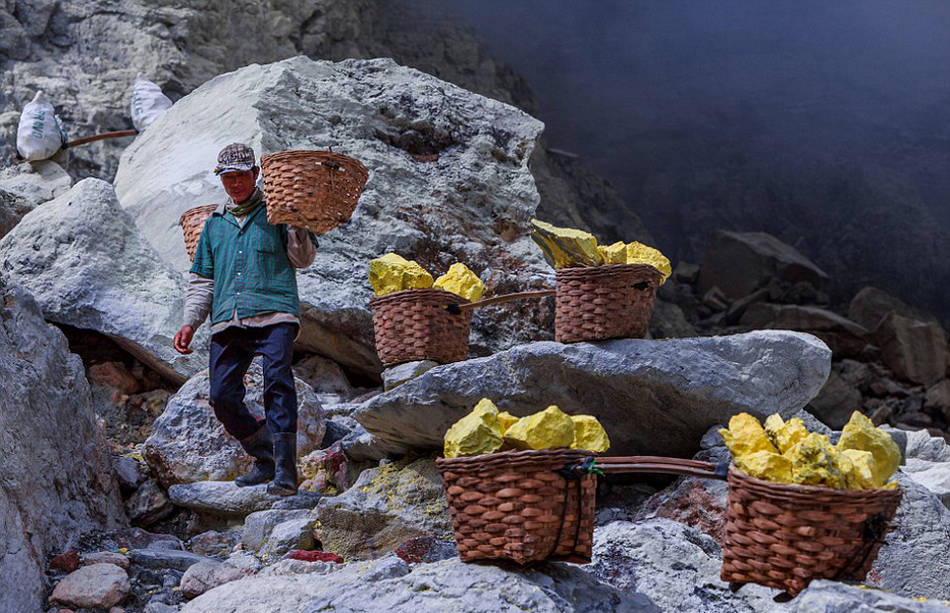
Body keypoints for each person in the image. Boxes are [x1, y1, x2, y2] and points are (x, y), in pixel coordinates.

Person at [173, 143, 317, 496]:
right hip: (228, 319)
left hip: (275, 314)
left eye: (241, 175)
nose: (234, 183)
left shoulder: (277, 213)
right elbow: (202, 280)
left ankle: (286, 472)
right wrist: (191, 321)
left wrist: (296, 224)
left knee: (277, 384)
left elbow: (303, 260)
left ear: (256, 175)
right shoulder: (214, 225)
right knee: (222, 395)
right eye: (227, 177)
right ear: (221, 180)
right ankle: (264, 455)